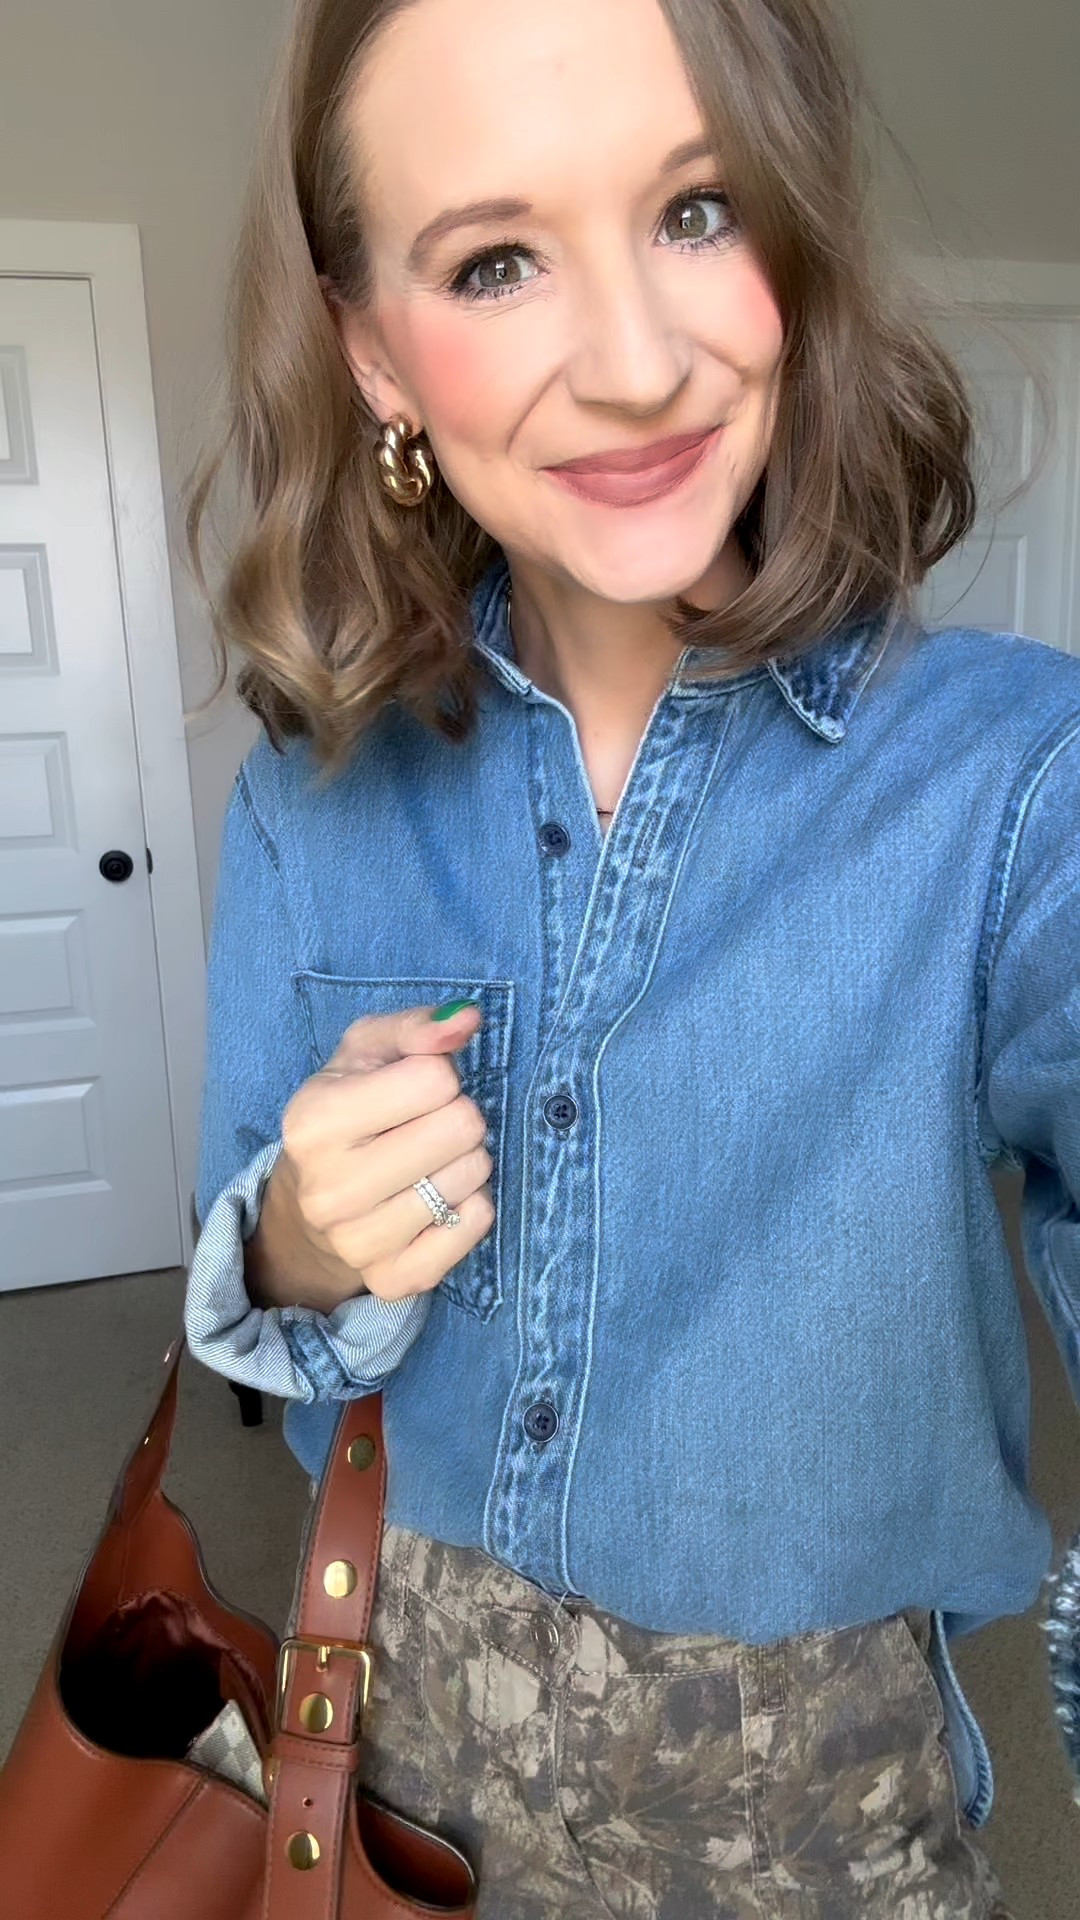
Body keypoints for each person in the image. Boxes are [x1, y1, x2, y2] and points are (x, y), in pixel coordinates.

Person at [182, 0, 1080, 1912]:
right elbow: (238, 1294)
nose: (638, 360)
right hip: (391, 1755)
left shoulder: (1019, 788)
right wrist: (303, 1240)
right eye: (495, 261)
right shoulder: (310, 806)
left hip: (818, 1819)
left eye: (697, 211)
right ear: (374, 352)